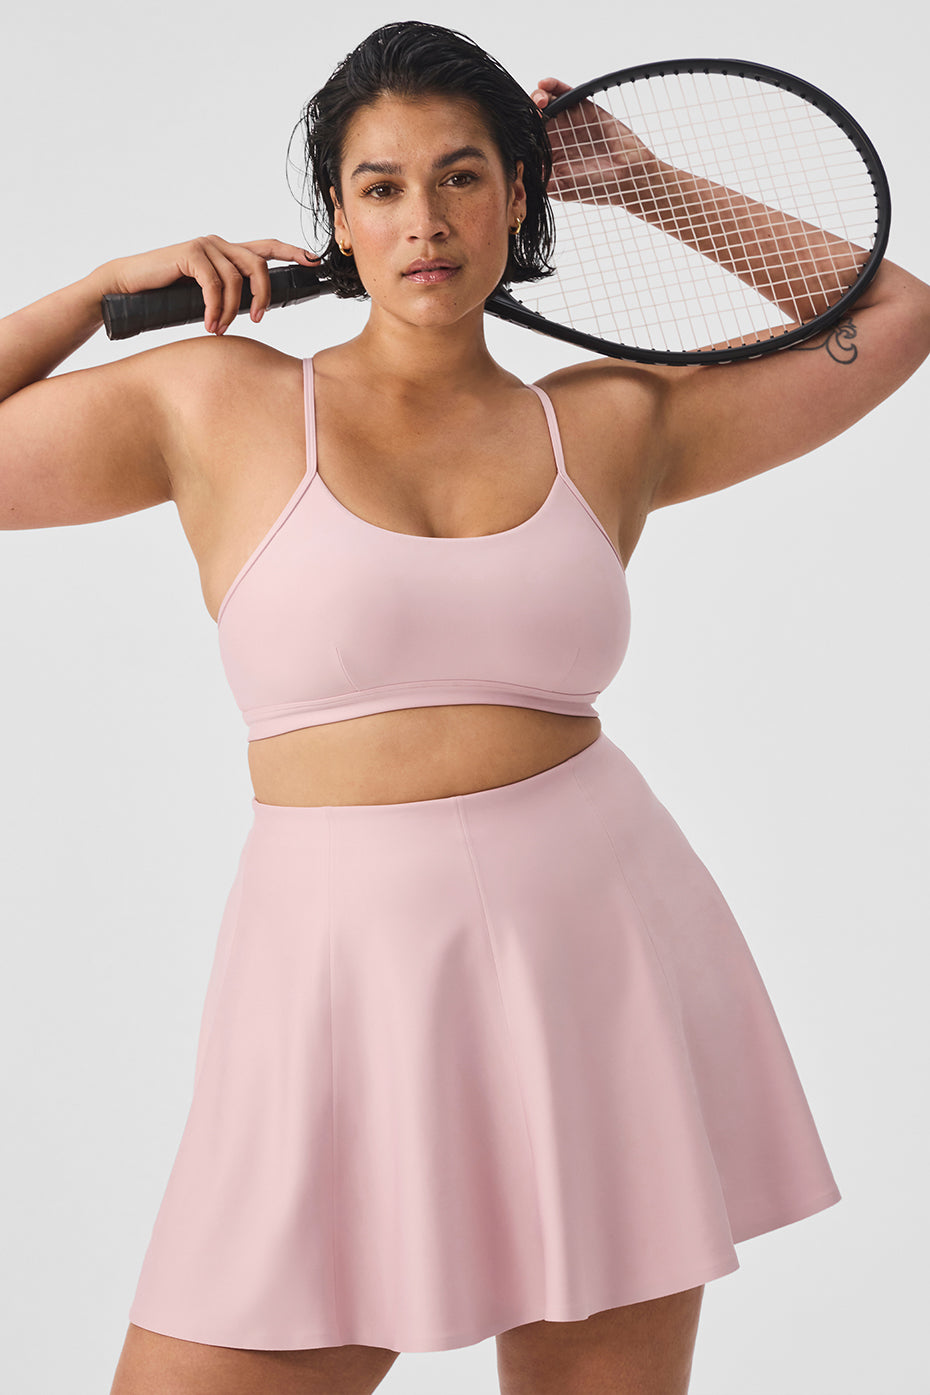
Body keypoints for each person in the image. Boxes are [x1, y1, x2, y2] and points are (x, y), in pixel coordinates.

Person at [2, 19, 928, 1395]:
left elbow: (891, 318)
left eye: (461, 176)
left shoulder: (607, 420)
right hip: (334, 982)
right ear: (337, 219)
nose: (424, 221)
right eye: (380, 186)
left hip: (595, 954)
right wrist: (93, 294)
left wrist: (647, 183)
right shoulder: (214, 402)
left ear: (516, 198)